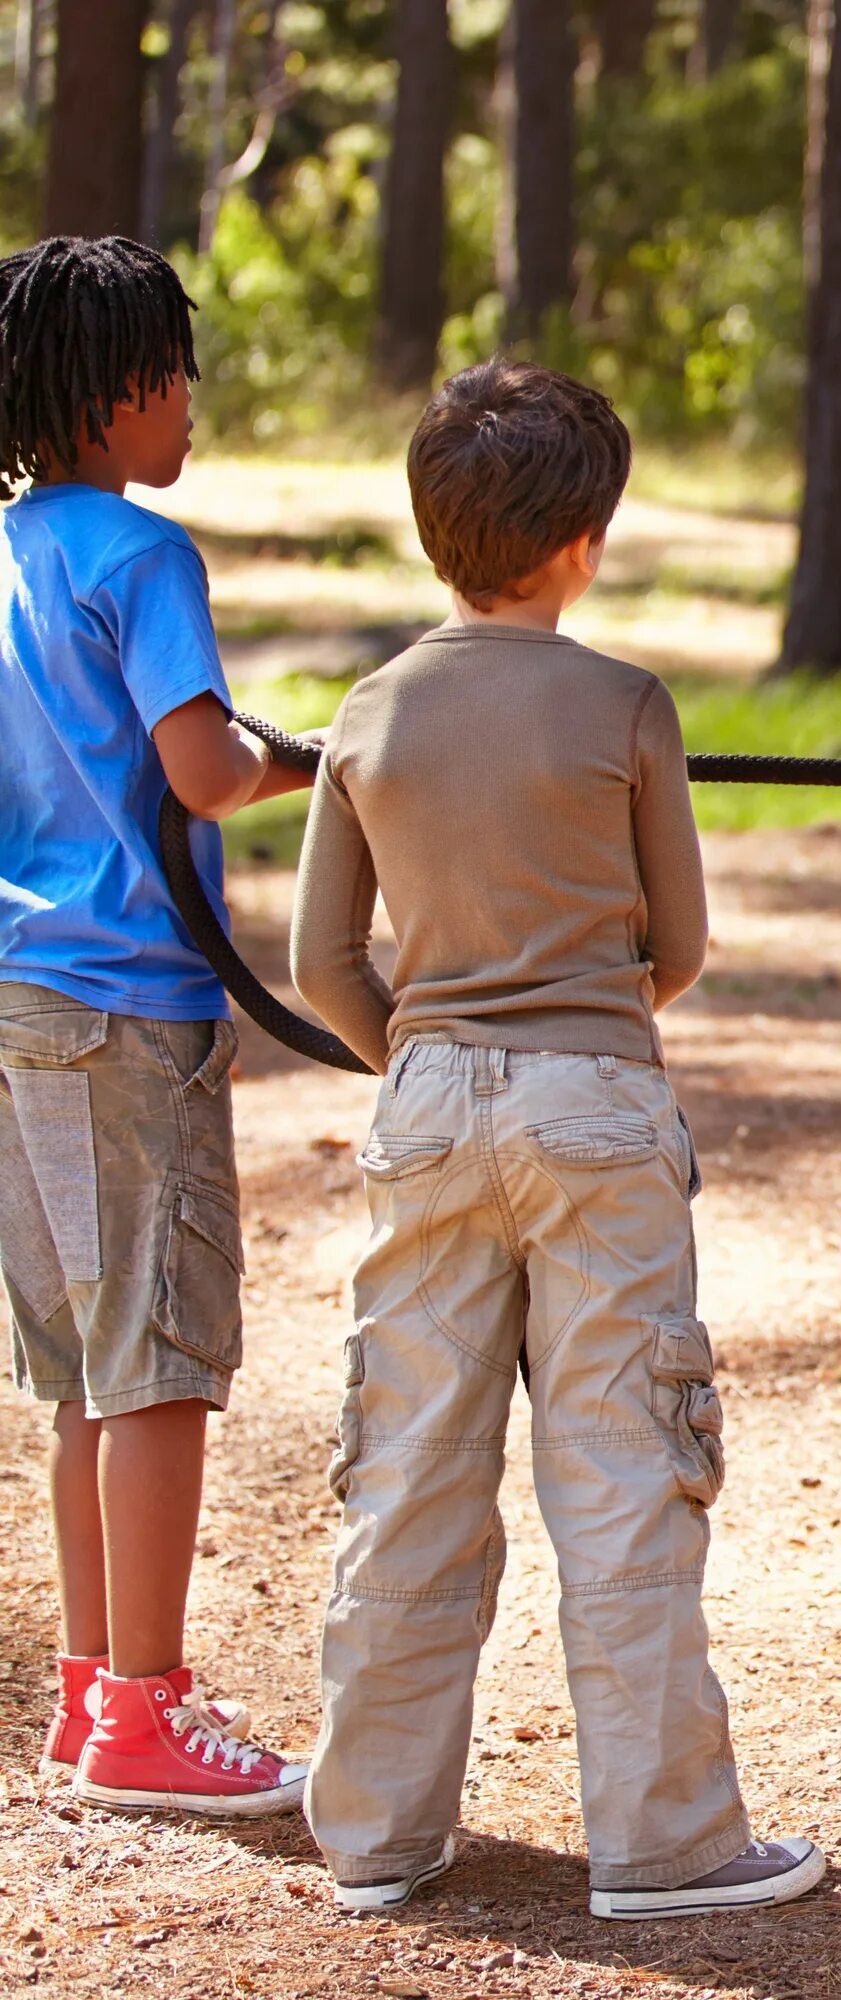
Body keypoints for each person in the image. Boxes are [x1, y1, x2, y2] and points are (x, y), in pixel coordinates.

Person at [289, 361, 821, 1917]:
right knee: (622, 1469)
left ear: (430, 531)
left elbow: (325, 961)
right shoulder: (624, 704)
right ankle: (663, 1843)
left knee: (411, 1460)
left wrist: (432, 1057)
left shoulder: (366, 714)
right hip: (596, 1101)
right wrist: (584, 1033)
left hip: (431, 1102)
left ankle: (376, 1835)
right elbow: (683, 943)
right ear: (585, 539)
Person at [0, 237, 316, 1814]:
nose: (191, 402)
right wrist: (290, 757)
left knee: (83, 1374)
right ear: (119, 395)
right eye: (176, 376)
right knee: (164, 1367)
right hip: (130, 1013)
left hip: (17, 1008)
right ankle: (147, 1705)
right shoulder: (140, 560)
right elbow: (202, 771)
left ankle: (87, 1692)